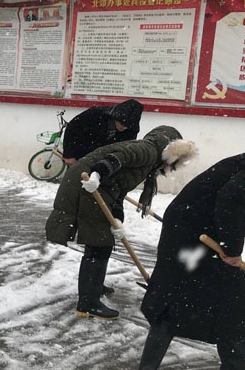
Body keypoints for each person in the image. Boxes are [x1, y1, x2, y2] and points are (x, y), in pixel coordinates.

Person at [135, 148, 245, 370]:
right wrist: (232, 248)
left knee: (237, 301)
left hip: (219, 233)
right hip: (187, 228)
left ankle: (235, 368)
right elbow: (231, 197)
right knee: (176, 300)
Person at [45, 126, 197, 320]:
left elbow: (119, 191)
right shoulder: (148, 150)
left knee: (101, 241)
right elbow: (119, 157)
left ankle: (93, 286)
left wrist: (117, 220)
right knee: (99, 243)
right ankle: (88, 303)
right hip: (87, 185)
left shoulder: (151, 161)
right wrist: (97, 174)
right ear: (171, 150)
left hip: (98, 188)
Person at [62, 99, 144, 165]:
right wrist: (69, 154)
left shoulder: (130, 131)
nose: (124, 127)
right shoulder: (96, 114)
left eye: (127, 126)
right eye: (122, 123)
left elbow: (124, 151)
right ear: (116, 117)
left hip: (103, 165)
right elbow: (72, 128)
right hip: (79, 156)